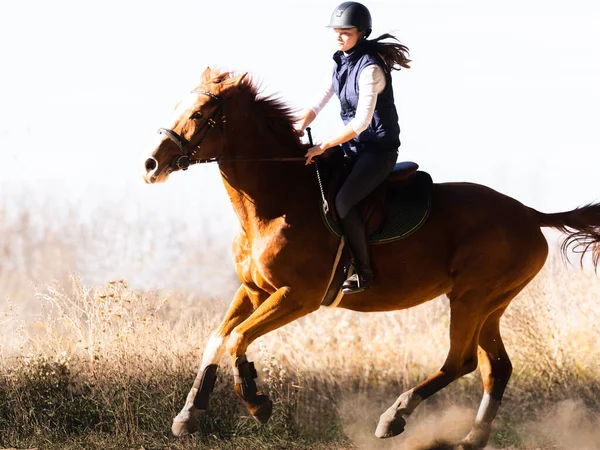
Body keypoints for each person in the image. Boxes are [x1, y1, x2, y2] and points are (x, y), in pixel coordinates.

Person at [294, 1, 411, 294]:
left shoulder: (371, 68)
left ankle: (363, 271)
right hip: (353, 149)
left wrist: (323, 145)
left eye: (345, 32)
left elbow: (361, 123)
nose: (338, 36)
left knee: (344, 201)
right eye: (336, 31)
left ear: (361, 32)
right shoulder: (340, 61)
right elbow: (319, 100)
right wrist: (297, 125)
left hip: (378, 152)